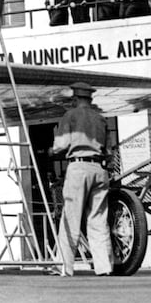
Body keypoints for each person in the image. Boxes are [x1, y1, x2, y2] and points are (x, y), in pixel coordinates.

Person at [50, 83, 112, 277]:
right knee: (99, 219)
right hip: (99, 168)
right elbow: (108, 151)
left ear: (75, 99)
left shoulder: (71, 116)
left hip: (78, 167)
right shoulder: (101, 118)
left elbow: (62, 145)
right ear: (90, 99)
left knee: (71, 218)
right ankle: (104, 267)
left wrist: (51, 151)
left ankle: (64, 266)